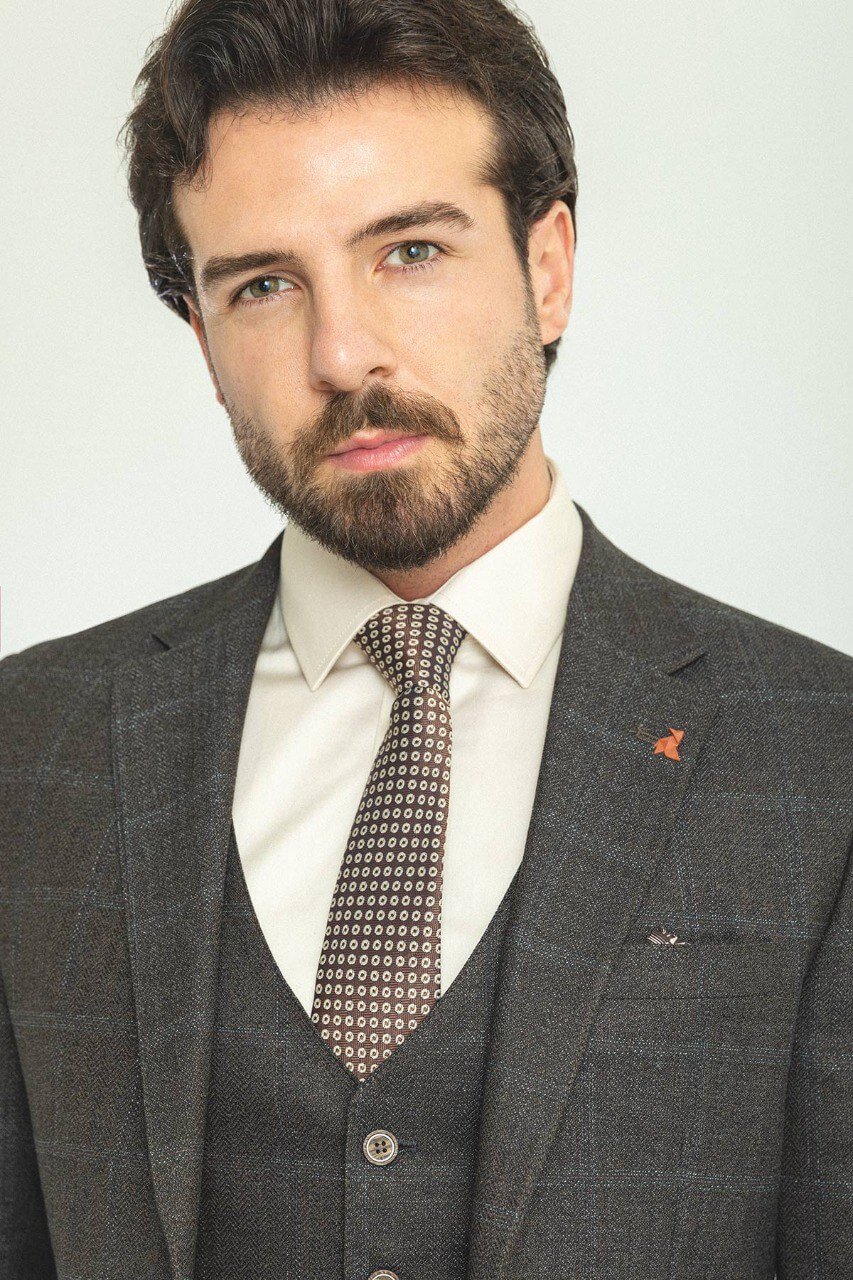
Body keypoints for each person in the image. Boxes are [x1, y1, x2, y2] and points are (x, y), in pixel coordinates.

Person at [0, 0, 850, 1276]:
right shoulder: (34, 743)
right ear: (203, 337)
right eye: (266, 283)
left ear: (547, 264)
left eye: (410, 250)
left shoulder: (818, 756)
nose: (345, 354)